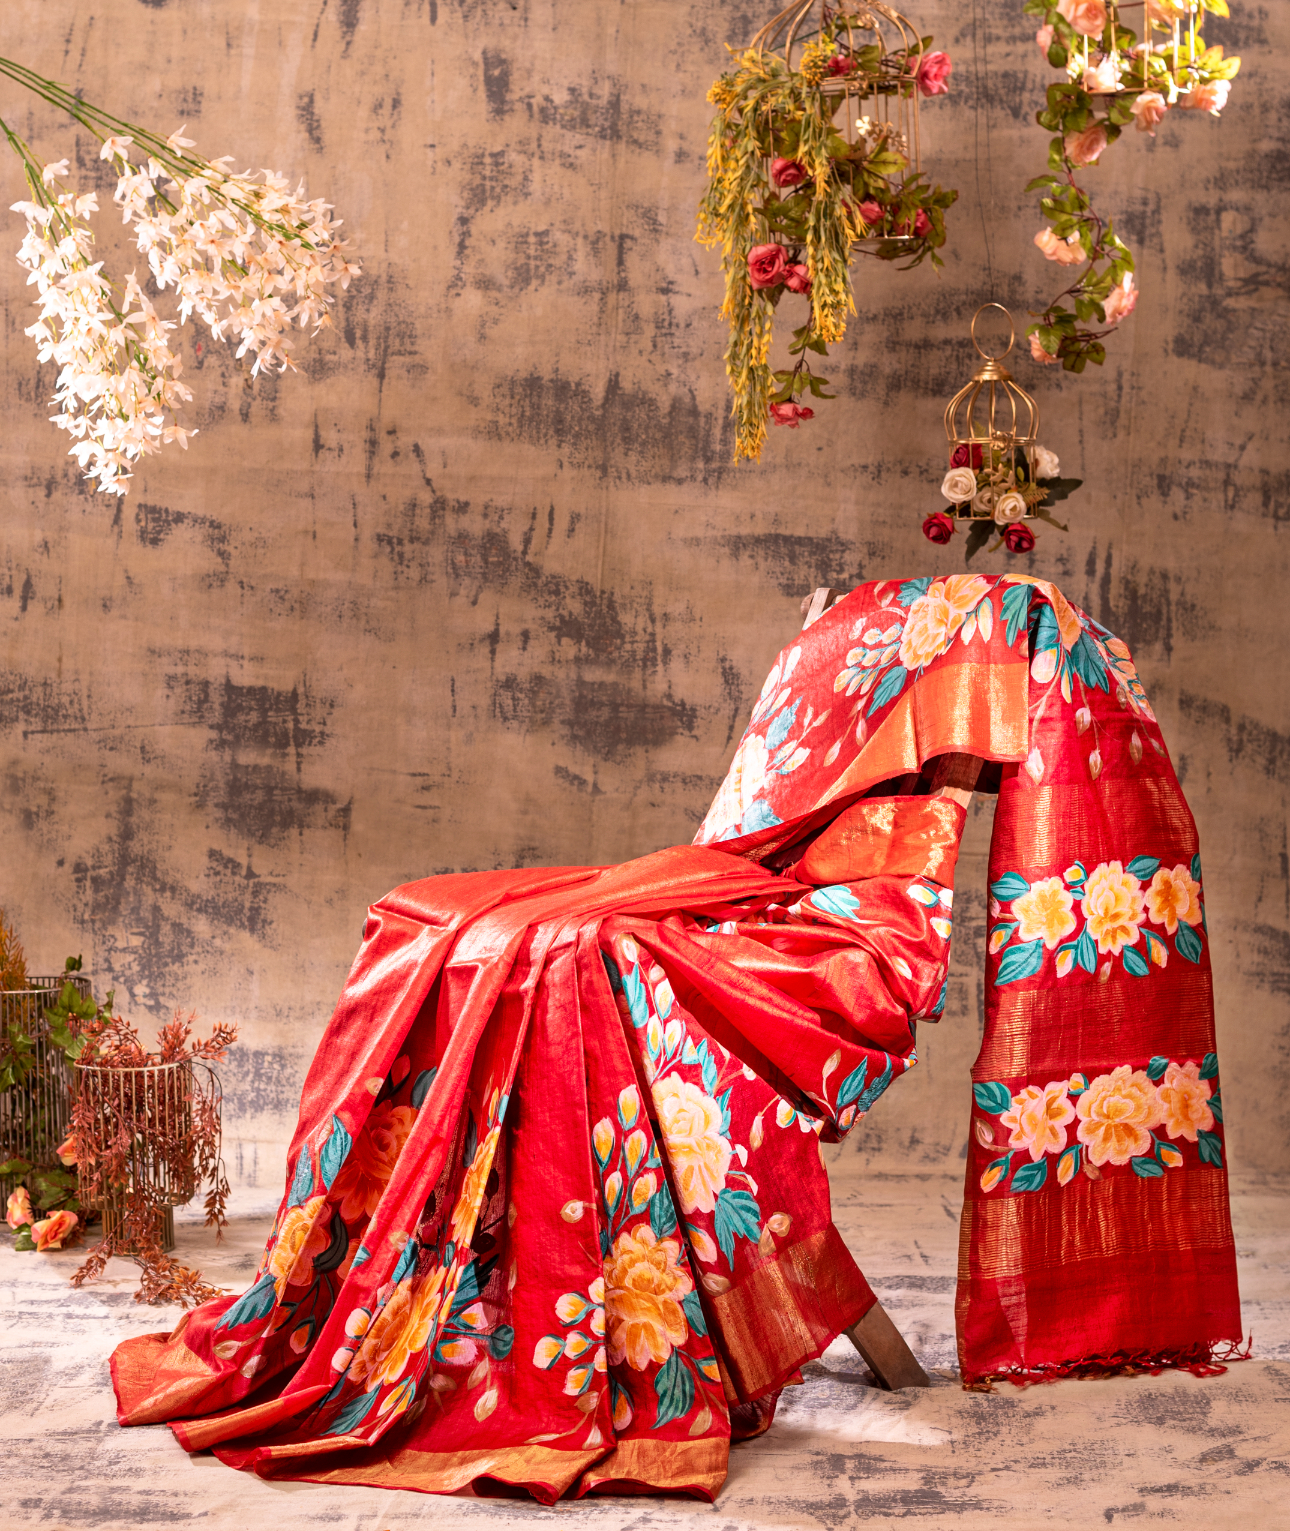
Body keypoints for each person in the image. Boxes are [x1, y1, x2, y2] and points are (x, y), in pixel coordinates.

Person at [110, 574, 1241, 1501]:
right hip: (742, 886)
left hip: (844, 929)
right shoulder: (846, 646)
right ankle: (434, 1312)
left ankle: (553, 1346)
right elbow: (758, 849)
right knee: (442, 924)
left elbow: (879, 925)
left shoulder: (975, 659)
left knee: (569, 956)